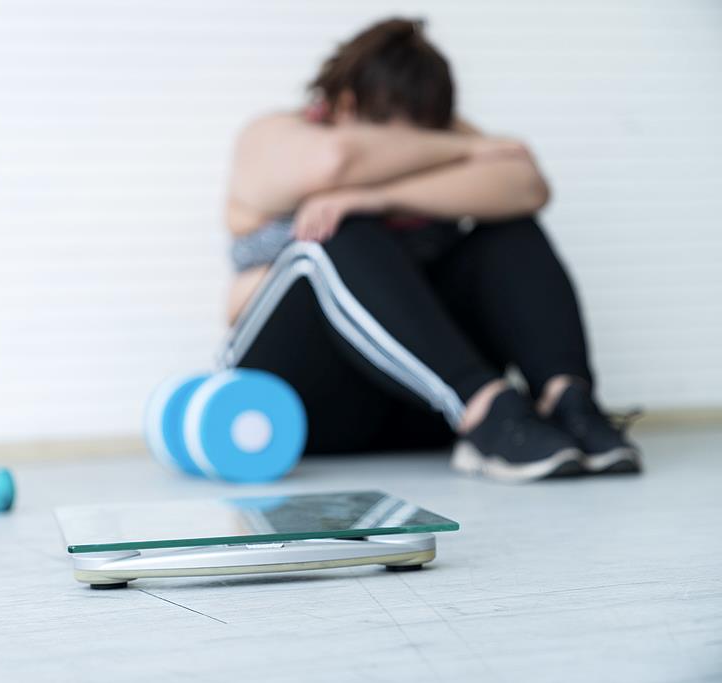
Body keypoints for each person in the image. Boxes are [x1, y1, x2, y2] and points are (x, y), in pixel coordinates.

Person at [223, 17, 641, 483]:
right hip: (302, 401)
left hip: (416, 404)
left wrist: (379, 196)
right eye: (394, 131)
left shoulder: (444, 137)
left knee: (508, 229)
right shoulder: (276, 134)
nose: (414, 142)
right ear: (346, 105)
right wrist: (462, 149)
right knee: (337, 233)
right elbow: (333, 161)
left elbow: (526, 185)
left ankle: (568, 403)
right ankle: (485, 410)